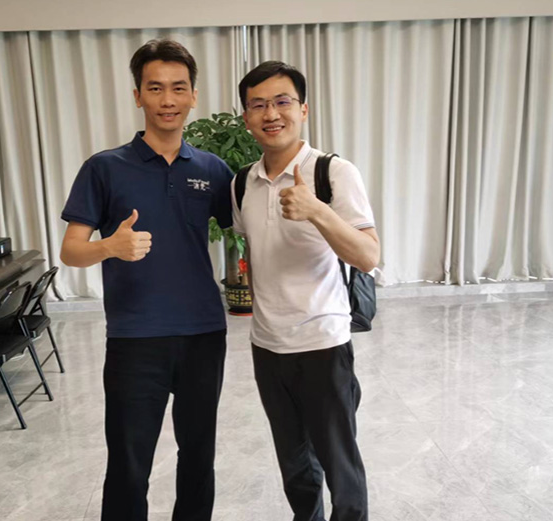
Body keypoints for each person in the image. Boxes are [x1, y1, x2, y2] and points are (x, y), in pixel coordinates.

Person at [59, 39, 233, 521]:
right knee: (129, 465)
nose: (167, 100)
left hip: (203, 334)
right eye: (155, 88)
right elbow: (70, 250)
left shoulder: (213, 170)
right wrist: (109, 247)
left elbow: (251, 231)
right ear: (137, 96)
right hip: (136, 338)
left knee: (198, 457)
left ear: (193, 95)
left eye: (178, 88)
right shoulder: (104, 168)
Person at [232, 61, 380, 521]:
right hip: (267, 347)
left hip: (322, 345)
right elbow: (255, 254)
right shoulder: (242, 182)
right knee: (295, 468)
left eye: (282, 102)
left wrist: (317, 211)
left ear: (303, 109)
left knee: (340, 467)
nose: (271, 114)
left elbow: (368, 256)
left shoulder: (333, 172)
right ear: (246, 117)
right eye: (258, 105)